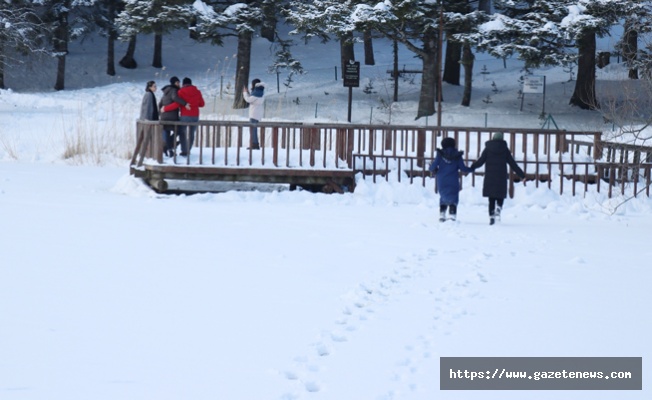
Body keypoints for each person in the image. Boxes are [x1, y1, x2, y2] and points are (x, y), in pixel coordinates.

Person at [470, 132, 526, 225]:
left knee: (491, 197)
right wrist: (522, 175)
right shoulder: (505, 149)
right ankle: (498, 209)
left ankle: (491, 216)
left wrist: (472, 167)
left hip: (490, 176)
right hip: (501, 176)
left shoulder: (487, 149)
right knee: (500, 194)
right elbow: (513, 164)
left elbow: (480, 161)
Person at [429, 137, 473, 222]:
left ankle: (442, 214)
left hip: (441, 179)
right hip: (453, 179)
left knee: (443, 196)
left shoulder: (440, 154)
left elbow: (433, 166)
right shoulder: (457, 155)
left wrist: (431, 168)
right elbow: (463, 168)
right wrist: (472, 169)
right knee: (453, 196)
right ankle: (452, 214)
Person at [161, 77, 205, 156]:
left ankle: (182, 149)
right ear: (191, 83)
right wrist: (195, 104)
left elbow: (177, 103)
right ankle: (187, 150)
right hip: (195, 116)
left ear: (184, 84)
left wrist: (165, 108)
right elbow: (202, 104)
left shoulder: (181, 91)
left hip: (185, 115)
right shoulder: (197, 92)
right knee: (191, 134)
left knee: (181, 132)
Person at [158, 76, 189, 157]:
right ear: (174, 83)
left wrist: (160, 112)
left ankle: (169, 149)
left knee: (167, 132)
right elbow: (175, 98)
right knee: (179, 130)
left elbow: (160, 104)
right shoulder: (174, 90)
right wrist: (185, 103)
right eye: (177, 82)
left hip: (164, 116)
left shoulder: (166, 92)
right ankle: (169, 146)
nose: (179, 84)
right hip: (171, 116)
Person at [242, 79, 265, 149]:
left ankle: (254, 144)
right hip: (258, 113)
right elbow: (253, 99)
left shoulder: (256, 93)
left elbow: (248, 100)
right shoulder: (261, 92)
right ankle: (255, 143)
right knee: (254, 129)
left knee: (253, 130)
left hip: (254, 113)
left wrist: (245, 93)